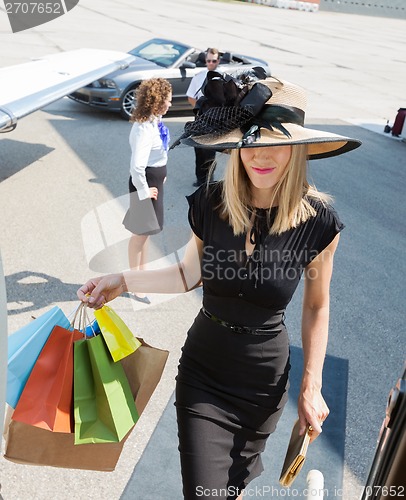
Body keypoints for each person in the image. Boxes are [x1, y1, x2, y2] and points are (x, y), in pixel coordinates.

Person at [78, 76, 361, 499]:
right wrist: (123, 280)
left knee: (231, 489)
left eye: (275, 142)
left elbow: (317, 307)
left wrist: (312, 384)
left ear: (299, 149)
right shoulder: (211, 203)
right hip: (204, 373)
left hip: (264, 383)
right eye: (251, 142)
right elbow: (186, 274)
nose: (260, 156)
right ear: (236, 146)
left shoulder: (318, 222)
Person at [122, 77, 172, 304]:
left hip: (154, 180)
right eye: (168, 101)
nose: (170, 104)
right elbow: (137, 166)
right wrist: (144, 191)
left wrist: (163, 175)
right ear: (157, 101)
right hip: (145, 183)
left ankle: (142, 275)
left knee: (147, 233)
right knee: (139, 235)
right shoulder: (143, 128)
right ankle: (134, 283)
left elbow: (158, 155)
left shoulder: (155, 122)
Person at [186, 47, 220, 187]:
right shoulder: (199, 77)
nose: (211, 63)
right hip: (200, 118)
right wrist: (200, 109)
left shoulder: (222, 78)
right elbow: (190, 97)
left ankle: (209, 180)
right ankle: (200, 179)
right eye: (208, 61)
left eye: (213, 61)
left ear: (218, 61)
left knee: (209, 152)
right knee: (198, 150)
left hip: (214, 120)